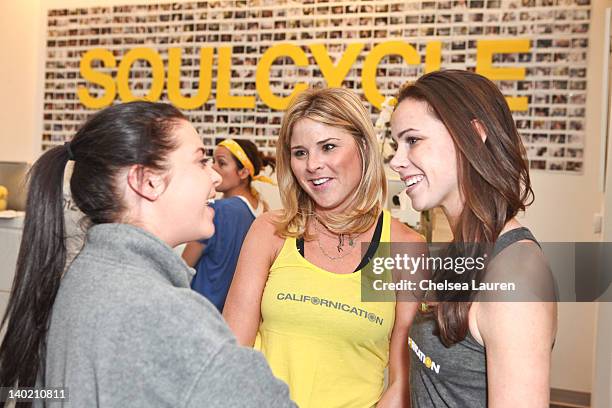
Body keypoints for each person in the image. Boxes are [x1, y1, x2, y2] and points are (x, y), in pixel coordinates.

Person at [0, 101, 295, 407]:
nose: (215, 178)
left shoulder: (85, 275)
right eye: (200, 161)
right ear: (148, 181)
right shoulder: (166, 312)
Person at [223, 87, 423, 408]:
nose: (312, 164)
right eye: (300, 153)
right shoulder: (273, 232)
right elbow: (233, 354)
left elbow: (403, 385)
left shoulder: (403, 248)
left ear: (362, 147)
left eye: (328, 147)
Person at [389, 70, 557, 407]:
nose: (395, 161)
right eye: (396, 145)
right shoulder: (463, 251)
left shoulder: (516, 275)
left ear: (473, 134)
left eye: (413, 140)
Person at [182, 138, 276, 311]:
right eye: (213, 161)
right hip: (234, 314)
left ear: (243, 173)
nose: (213, 167)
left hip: (201, 309)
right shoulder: (262, 212)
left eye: (221, 163)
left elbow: (182, 267)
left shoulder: (218, 210)